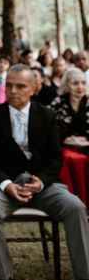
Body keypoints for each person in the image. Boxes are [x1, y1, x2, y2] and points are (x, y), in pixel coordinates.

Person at [0, 64, 89, 280]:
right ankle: (4, 278)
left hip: (42, 185)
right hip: (4, 186)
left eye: (21, 86)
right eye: (9, 85)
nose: (14, 91)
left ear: (34, 88)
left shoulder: (47, 115)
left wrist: (41, 183)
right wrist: (7, 184)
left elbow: (55, 156)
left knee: (76, 207)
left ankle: (84, 279)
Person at [51, 68, 89, 205]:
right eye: (75, 83)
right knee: (74, 159)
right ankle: (77, 204)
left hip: (86, 146)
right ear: (66, 84)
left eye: (83, 83)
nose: (80, 87)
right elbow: (55, 132)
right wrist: (69, 138)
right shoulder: (58, 103)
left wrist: (83, 140)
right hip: (66, 147)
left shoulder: (88, 101)